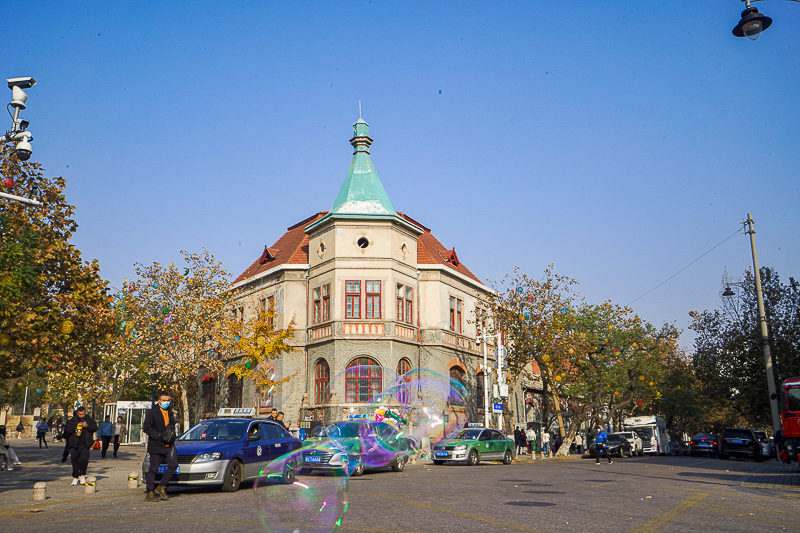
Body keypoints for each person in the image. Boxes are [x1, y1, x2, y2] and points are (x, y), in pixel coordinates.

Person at [142, 392, 178, 502]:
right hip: (156, 445)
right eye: (164, 400)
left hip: (169, 444)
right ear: (159, 401)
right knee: (153, 469)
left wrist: (172, 435)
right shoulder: (153, 412)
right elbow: (147, 427)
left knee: (173, 464)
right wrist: (157, 436)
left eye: (168, 400)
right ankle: (149, 492)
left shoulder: (170, 412)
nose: (167, 402)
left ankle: (162, 486)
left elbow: (172, 425)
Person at [64, 406, 99, 485]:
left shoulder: (89, 419)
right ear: (77, 413)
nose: (82, 416)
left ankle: (82, 474)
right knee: (75, 460)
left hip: (85, 443)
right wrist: (76, 426)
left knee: (84, 460)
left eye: (83, 414)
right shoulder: (72, 420)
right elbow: (67, 430)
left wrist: (87, 426)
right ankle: (75, 476)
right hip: (74, 444)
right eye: (80, 414)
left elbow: (95, 428)